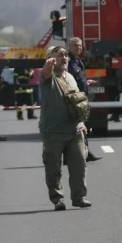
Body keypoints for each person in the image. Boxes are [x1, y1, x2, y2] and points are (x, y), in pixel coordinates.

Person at [39, 46, 90, 211]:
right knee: (53, 169)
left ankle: (79, 197)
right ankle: (57, 199)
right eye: (60, 55)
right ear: (51, 58)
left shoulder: (70, 77)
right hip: (54, 132)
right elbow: (46, 71)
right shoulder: (48, 77)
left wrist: (81, 124)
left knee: (79, 165)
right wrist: (49, 65)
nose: (64, 58)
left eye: (66, 55)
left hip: (74, 130)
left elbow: (76, 103)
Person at [66, 38, 101, 162]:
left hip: (81, 98)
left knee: (83, 126)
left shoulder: (78, 62)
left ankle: (85, 152)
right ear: (69, 46)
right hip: (73, 99)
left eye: (80, 46)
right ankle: (70, 155)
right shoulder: (68, 61)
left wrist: (87, 82)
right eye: (75, 45)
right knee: (74, 128)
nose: (78, 48)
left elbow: (79, 78)